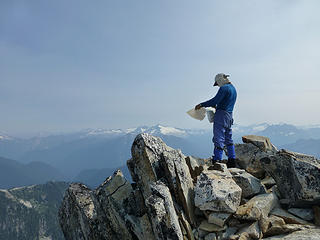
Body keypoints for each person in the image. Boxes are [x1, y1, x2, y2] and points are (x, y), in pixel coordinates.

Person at [195, 73, 237, 168]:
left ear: (220, 80)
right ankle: (232, 160)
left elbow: (214, 100)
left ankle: (217, 160)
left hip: (221, 115)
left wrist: (201, 104)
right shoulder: (233, 89)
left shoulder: (224, 88)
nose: (218, 85)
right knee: (228, 138)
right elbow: (225, 101)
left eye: (217, 83)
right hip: (229, 115)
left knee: (218, 138)